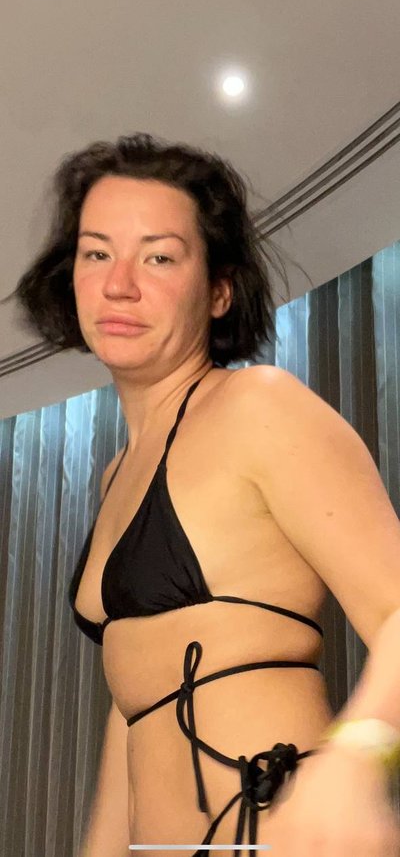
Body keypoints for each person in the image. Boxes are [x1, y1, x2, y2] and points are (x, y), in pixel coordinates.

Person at [10, 133, 400, 857]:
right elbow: (136, 700)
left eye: (158, 257)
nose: (119, 284)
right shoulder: (114, 473)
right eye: (96, 253)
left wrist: (358, 758)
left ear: (219, 290)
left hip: (275, 835)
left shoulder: (260, 406)